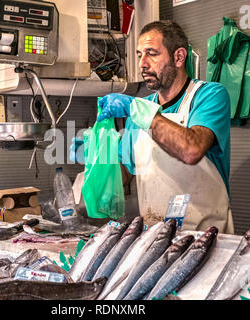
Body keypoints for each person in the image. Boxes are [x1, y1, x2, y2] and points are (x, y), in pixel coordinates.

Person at [71, 21, 234, 233]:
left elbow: (191, 150)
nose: (143, 64)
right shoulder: (139, 110)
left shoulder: (209, 95)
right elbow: (124, 175)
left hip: (208, 238)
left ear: (179, 57)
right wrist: (99, 154)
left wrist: (139, 111)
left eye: (152, 53)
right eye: (139, 55)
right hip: (156, 238)